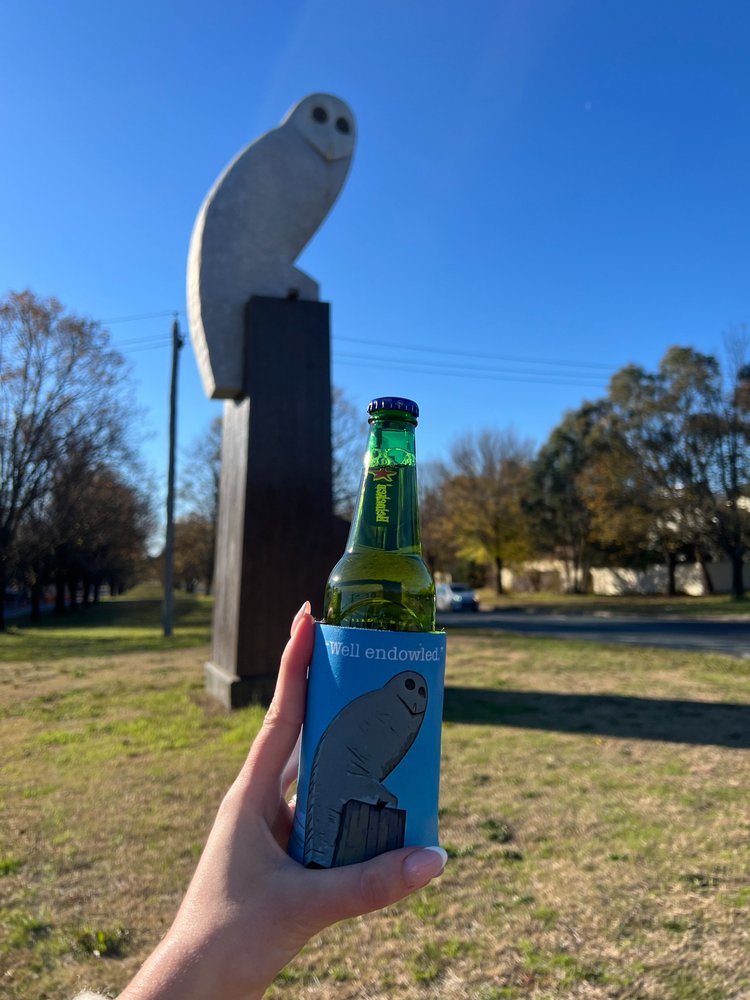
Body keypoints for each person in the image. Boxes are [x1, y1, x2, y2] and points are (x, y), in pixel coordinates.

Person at [77, 601, 447, 1000]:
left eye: (419, 689)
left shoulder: (396, 712)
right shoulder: (378, 707)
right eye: (409, 686)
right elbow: (352, 760)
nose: (415, 695)